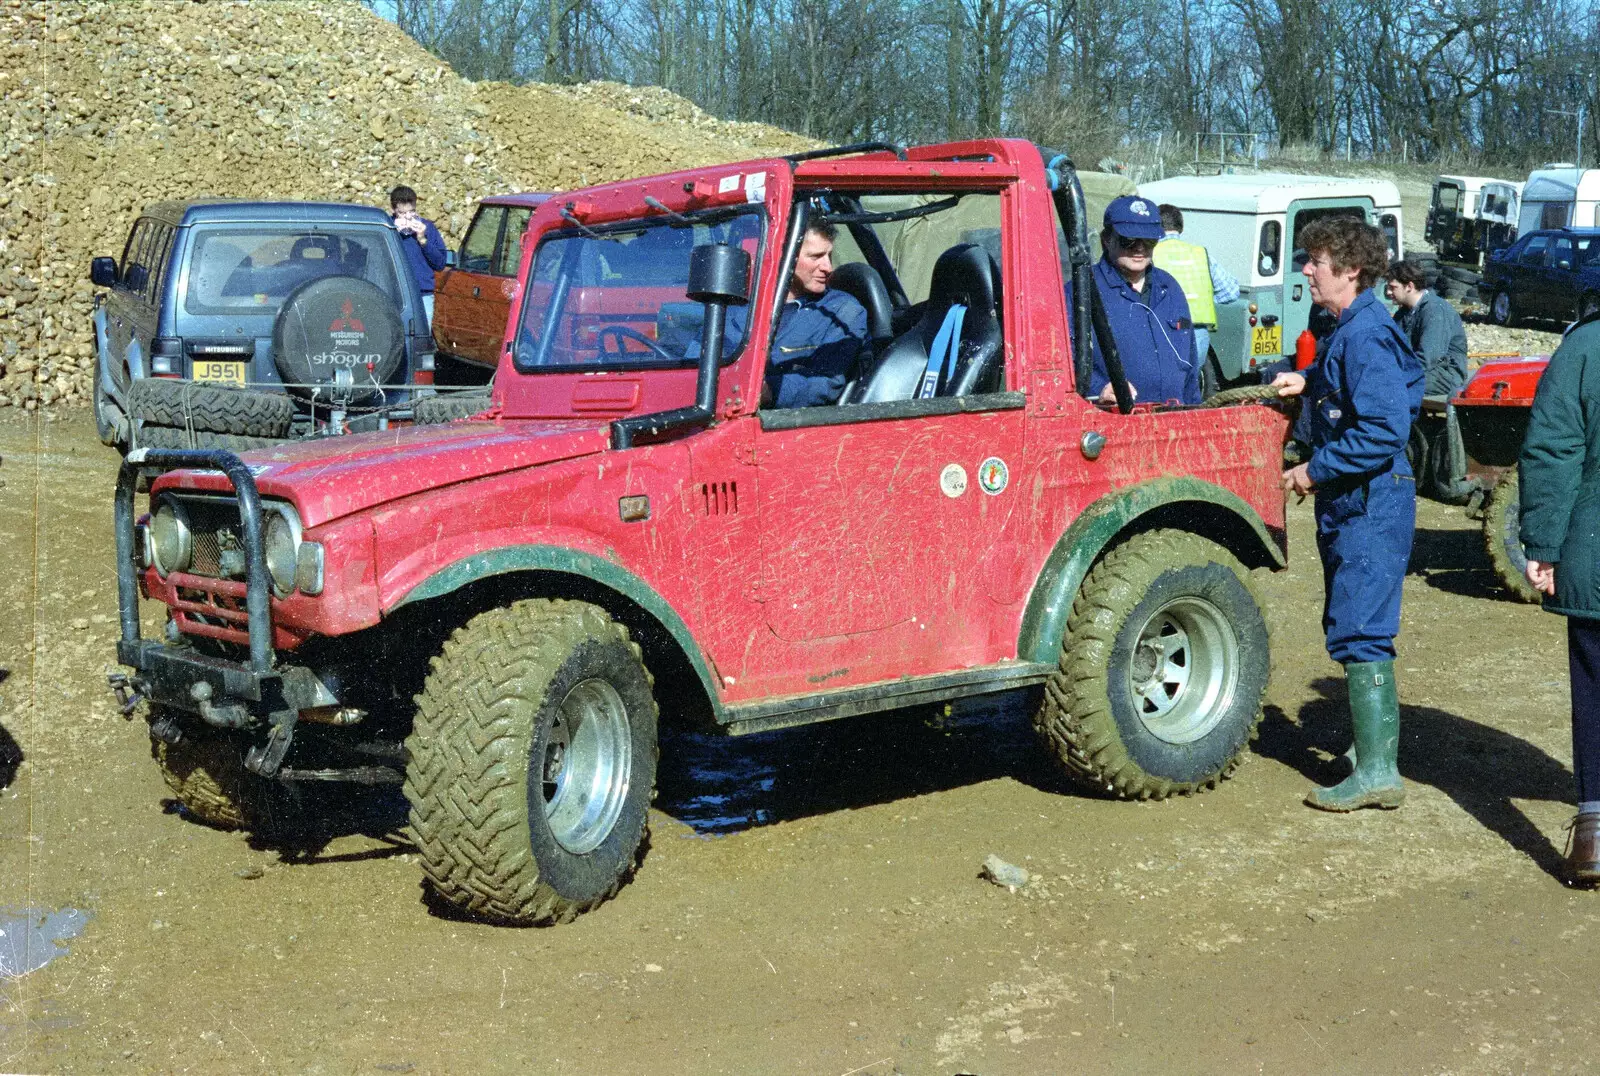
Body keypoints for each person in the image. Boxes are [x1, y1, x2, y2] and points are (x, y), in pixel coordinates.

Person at [1272, 216, 1424, 812]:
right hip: (1360, 498)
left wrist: (1313, 470)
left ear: (1351, 269)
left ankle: (1380, 773)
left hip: (1370, 499)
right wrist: (1305, 380)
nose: (1306, 269)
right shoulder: (1350, 329)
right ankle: (1371, 753)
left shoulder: (1363, 334)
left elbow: (1385, 426)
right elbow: (1351, 388)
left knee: (1362, 626)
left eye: (1316, 260)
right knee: (1356, 619)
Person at [1518, 308, 1600, 883]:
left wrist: (1543, 544)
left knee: (1595, 684)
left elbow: (1553, 447)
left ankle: (1596, 837)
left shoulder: (1584, 347)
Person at [1072, 195, 1201, 406]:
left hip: (1175, 424)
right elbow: (1065, 362)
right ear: (1107, 239)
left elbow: (1191, 365)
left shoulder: (1171, 288)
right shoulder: (1082, 290)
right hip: (1113, 426)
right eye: (1129, 240)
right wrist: (1100, 389)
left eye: (1149, 240)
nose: (1140, 248)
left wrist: (1195, 412)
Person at [754, 221, 869, 408]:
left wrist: (769, 391)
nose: (828, 267)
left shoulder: (841, 312)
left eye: (829, 255)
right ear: (784, 255)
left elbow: (826, 382)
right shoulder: (748, 306)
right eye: (816, 256)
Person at [1154, 203, 1241, 372]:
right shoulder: (1201, 253)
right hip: (1197, 331)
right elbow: (1231, 291)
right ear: (1181, 227)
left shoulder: (1148, 255)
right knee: (1190, 386)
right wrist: (1206, 299)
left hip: (1163, 331)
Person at [1385, 259, 1469, 400]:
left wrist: (1392, 375)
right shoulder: (1403, 313)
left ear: (1409, 286)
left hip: (1444, 374)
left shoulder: (1435, 310)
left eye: (1392, 287)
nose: (1387, 292)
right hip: (1421, 369)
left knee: (1389, 385)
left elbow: (1428, 358)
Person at [388, 184, 447, 325]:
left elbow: (440, 264)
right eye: (403, 213)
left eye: (412, 212)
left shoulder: (427, 228)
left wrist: (423, 240)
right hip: (394, 294)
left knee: (422, 337)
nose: (408, 217)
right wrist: (394, 233)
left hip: (422, 294)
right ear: (394, 210)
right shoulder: (387, 227)